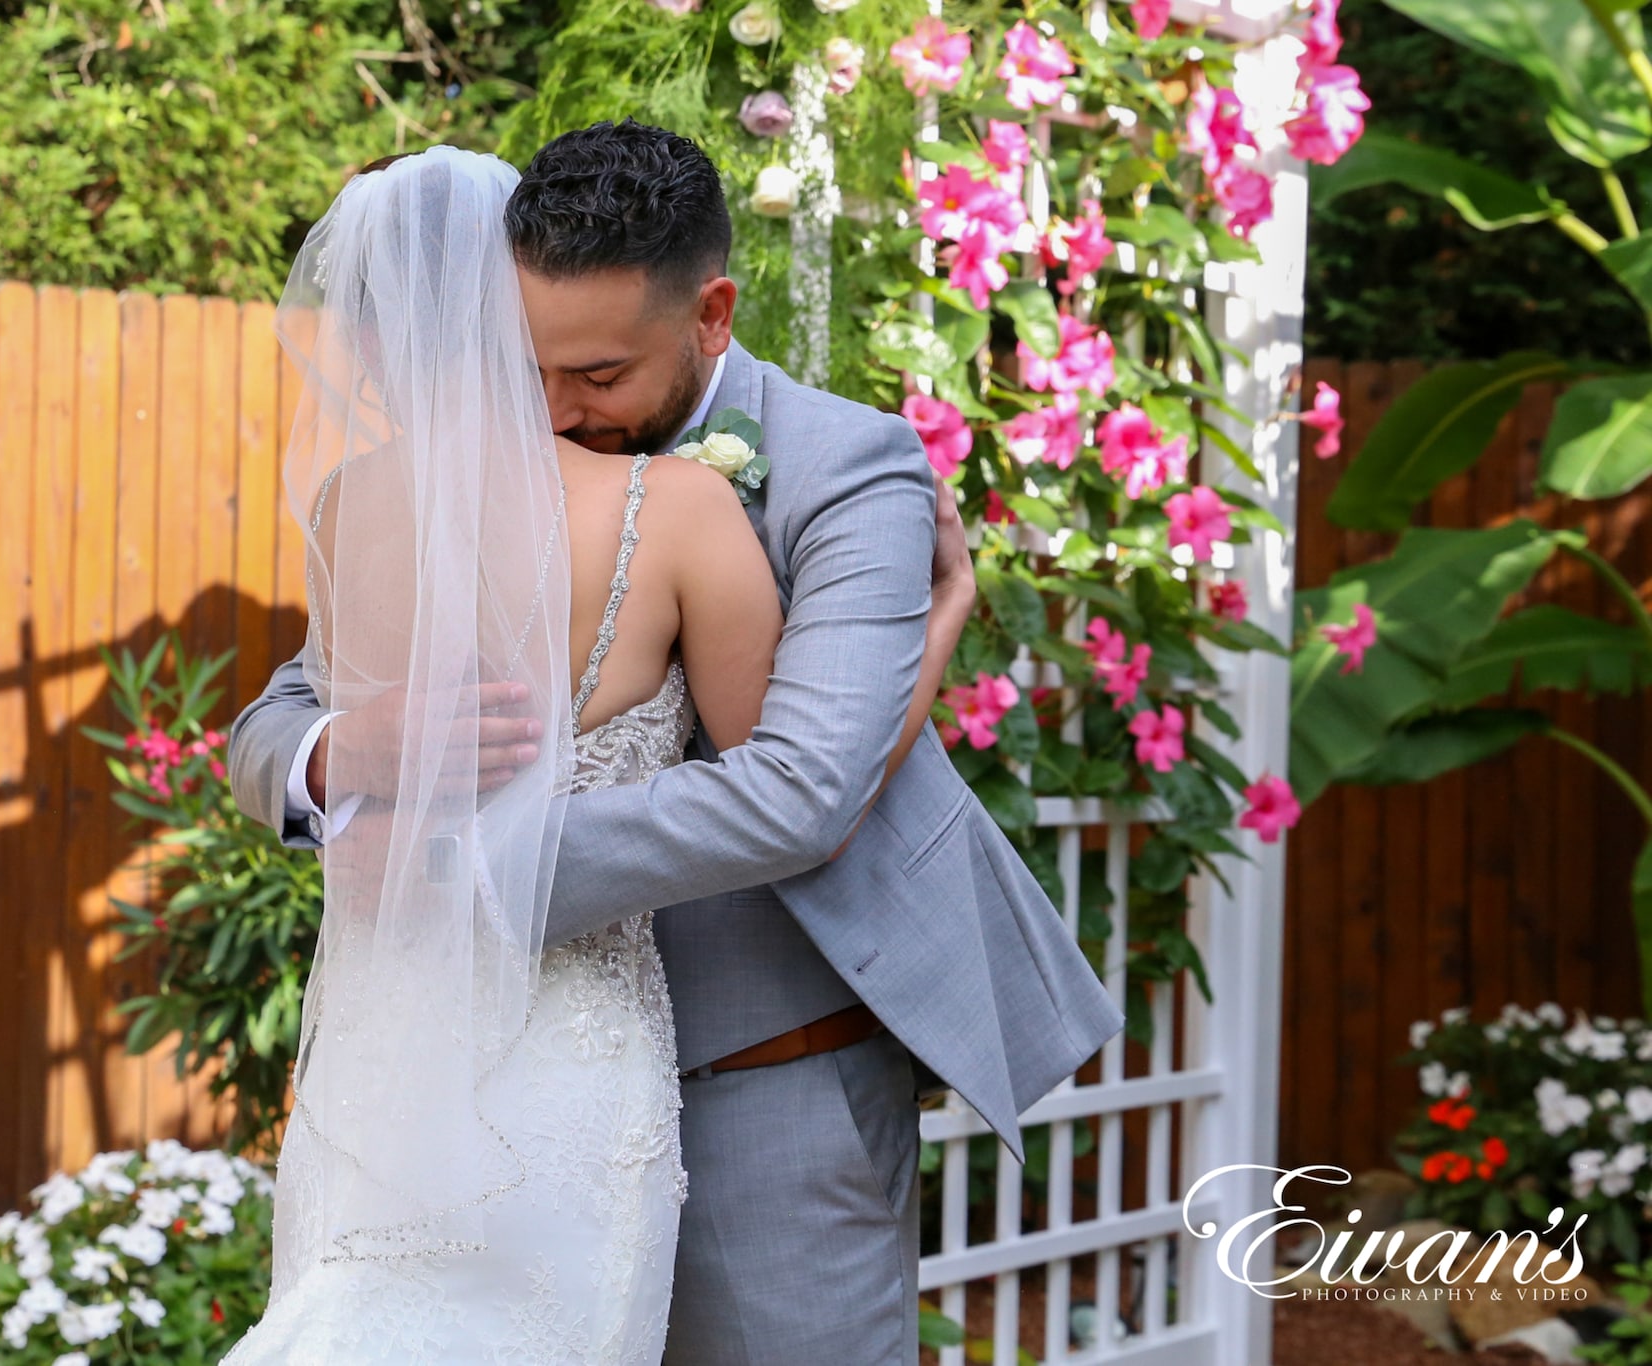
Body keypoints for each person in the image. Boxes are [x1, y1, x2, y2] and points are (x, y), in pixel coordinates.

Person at [228, 124, 1123, 1364]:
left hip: (762, 1079)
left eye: (595, 374)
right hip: (480, 1085)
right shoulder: (437, 482)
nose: (549, 409)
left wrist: (473, 870)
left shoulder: (840, 466)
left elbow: (804, 784)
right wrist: (353, 747)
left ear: (709, 315)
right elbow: (276, 719)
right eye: (525, 362)